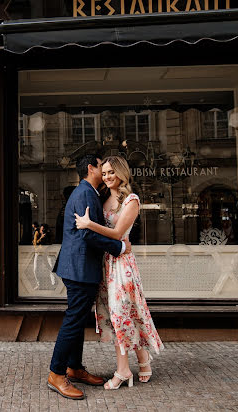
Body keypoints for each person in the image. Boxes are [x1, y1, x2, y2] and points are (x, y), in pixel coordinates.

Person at [75, 155, 164, 390]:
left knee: (120, 314)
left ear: (122, 172)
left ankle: (123, 371)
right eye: (104, 173)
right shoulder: (102, 197)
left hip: (122, 264)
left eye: (111, 172)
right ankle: (143, 360)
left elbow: (116, 234)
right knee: (121, 314)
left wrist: (88, 224)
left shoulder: (131, 200)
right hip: (106, 263)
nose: (107, 177)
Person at [47, 154, 131, 400]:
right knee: (73, 320)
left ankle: (74, 367)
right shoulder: (85, 193)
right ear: (91, 168)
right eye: (101, 168)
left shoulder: (89, 192)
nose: (105, 173)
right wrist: (119, 248)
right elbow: (87, 234)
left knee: (78, 318)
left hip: (79, 267)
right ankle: (56, 373)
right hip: (79, 269)